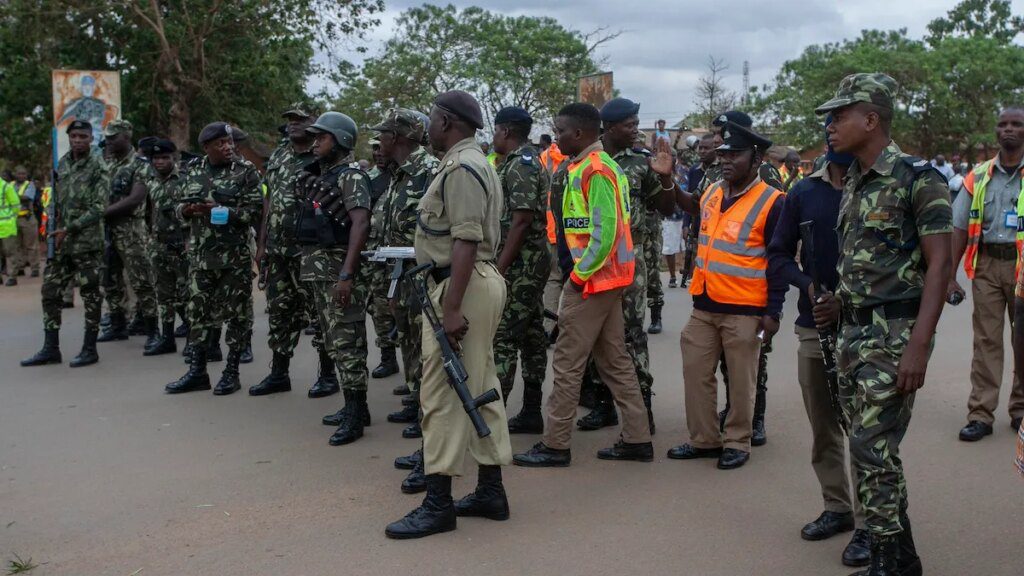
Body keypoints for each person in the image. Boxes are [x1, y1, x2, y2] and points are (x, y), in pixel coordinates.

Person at [814, 72, 951, 575]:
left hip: (895, 334)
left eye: (839, 115)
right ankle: (902, 557)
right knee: (870, 446)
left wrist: (919, 345)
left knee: (873, 446)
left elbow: (941, 266)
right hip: (853, 333)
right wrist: (838, 305)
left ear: (871, 119)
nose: (829, 125)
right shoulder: (852, 180)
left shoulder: (919, 179)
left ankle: (891, 562)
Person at [385, 90, 510, 539]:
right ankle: (490, 491)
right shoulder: (471, 161)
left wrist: (452, 306)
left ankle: (438, 503)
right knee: (480, 387)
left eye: (433, 119)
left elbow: (465, 239)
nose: (427, 127)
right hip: (469, 281)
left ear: (448, 122)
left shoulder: (461, 167)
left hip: (462, 285)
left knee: (440, 394)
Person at [512, 102, 653, 468]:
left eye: (559, 131)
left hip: (592, 283)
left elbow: (604, 236)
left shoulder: (596, 169)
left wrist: (577, 278)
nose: (555, 138)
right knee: (615, 361)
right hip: (605, 282)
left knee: (567, 363)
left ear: (578, 133)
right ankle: (637, 437)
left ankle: (555, 444)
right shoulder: (590, 166)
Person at [766, 120, 870, 568]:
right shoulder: (802, 193)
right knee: (824, 424)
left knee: (866, 431)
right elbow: (778, 255)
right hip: (815, 327)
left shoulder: (879, 188)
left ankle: (871, 525)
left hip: (869, 330)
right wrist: (807, 287)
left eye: (838, 126)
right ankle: (837, 508)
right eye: (825, 129)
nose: (831, 135)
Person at [667, 117, 785, 471]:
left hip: (745, 310)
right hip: (703, 305)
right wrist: (665, 180)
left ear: (756, 158)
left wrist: (773, 312)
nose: (726, 160)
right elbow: (692, 207)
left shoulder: (772, 201)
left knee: (742, 380)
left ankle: (737, 442)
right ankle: (704, 439)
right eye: (723, 153)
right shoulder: (715, 191)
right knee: (696, 372)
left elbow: (778, 262)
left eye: (735, 154)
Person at [575, 97, 676, 434]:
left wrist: (665, 178)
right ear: (610, 127)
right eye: (630, 124)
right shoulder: (586, 159)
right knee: (593, 337)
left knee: (631, 334)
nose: (636, 130)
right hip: (591, 264)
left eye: (637, 123)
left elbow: (663, 205)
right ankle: (603, 406)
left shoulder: (640, 163)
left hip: (627, 267)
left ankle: (641, 409)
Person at [290, 112, 373, 445]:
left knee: (347, 343)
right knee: (333, 341)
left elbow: (360, 224)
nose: (315, 143)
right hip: (319, 271)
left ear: (341, 141)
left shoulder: (351, 176)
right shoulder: (323, 175)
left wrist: (347, 275)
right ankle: (356, 406)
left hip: (338, 271)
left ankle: (356, 415)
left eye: (321, 138)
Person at [249, 104, 341, 398]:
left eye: (300, 120)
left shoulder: (321, 157)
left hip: (310, 250)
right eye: (289, 120)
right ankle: (279, 373)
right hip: (277, 250)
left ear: (314, 124)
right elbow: (269, 202)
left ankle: (327, 375)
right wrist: (262, 245)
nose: (293, 125)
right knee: (279, 312)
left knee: (319, 314)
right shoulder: (278, 155)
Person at [165, 122, 262, 396]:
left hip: (234, 258)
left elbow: (253, 212)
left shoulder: (246, 172)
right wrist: (188, 210)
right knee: (198, 314)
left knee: (237, 315)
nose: (228, 147)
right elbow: (177, 206)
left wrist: (220, 212)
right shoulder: (193, 169)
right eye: (220, 143)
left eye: (229, 142)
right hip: (201, 257)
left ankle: (232, 372)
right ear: (206, 147)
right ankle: (198, 372)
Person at [363, 109, 437, 454]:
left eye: (387, 134)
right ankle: (422, 417)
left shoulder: (429, 172)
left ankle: (433, 439)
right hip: (400, 279)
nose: (381, 142)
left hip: (425, 279)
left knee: (428, 357)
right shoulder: (397, 174)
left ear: (402, 137)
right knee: (410, 348)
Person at [949, 107, 1024, 440]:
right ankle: (981, 413)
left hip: (1023, 267)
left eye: (1016, 124)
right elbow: (958, 227)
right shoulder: (977, 176)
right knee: (986, 341)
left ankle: (1021, 410)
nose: (1008, 129)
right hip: (987, 266)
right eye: (1002, 124)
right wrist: (950, 276)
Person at [21, 120, 107, 368]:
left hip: (87, 243)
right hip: (61, 242)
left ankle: (89, 349)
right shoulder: (64, 163)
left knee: (91, 295)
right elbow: (55, 200)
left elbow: (99, 208)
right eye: (74, 136)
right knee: (50, 291)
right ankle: (51, 348)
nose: (78, 140)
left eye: (83, 136)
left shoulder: (98, 166)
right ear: (68, 138)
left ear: (91, 139)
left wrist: (68, 229)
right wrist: (51, 227)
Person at [490, 106, 551, 434]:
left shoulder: (521, 164)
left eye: (495, 130)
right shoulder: (520, 162)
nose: (493, 136)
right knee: (530, 334)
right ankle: (530, 411)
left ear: (506, 131)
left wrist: (499, 269)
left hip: (521, 265)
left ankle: (492, 420)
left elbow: (522, 220)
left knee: (502, 336)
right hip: (526, 262)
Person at [97, 120, 159, 350]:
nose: (110, 141)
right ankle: (117, 324)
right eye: (109, 138)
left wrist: (100, 213)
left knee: (141, 280)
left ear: (127, 136)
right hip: (107, 231)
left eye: (114, 137)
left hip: (131, 230)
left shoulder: (140, 164)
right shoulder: (107, 163)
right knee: (110, 279)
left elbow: (136, 199)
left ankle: (152, 329)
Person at [142, 139, 188, 356]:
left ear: (174, 158)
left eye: (164, 158)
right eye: (156, 158)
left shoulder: (184, 180)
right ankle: (167, 338)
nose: (160, 162)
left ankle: (193, 340)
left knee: (187, 294)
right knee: (164, 294)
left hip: (181, 246)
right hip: (158, 245)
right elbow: (149, 211)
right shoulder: (150, 181)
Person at [364, 137, 401, 381]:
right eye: (374, 148)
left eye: (381, 147)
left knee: (403, 309)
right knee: (378, 308)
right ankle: (388, 357)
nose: (378, 152)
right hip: (375, 256)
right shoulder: (368, 179)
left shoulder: (405, 178)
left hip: (400, 256)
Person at [540, 139, 568, 336]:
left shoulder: (544, 157)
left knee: (553, 280)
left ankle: (548, 328)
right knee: (574, 281)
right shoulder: (577, 156)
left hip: (549, 230)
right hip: (573, 233)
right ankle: (569, 329)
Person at [11, 166, 40, 279]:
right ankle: (20, 268)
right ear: (15, 174)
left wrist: (12, 196)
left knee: (31, 245)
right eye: (19, 173)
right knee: (16, 245)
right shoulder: (11, 185)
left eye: (23, 174)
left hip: (28, 218)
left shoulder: (30, 184)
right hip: (14, 219)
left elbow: (27, 197)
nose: (21, 176)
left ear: (26, 175)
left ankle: (35, 268)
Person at [0, 177, 22, 286]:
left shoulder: (5, 186)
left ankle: (12, 277)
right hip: (5, 225)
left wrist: (12, 218)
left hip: (6, 226)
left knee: (10, 253)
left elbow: (16, 204)